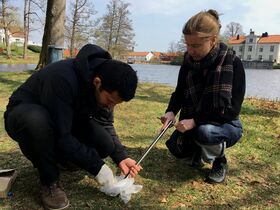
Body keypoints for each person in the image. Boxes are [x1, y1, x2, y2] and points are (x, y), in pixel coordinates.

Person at [4, 44, 142, 210]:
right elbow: (63, 135)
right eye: (110, 101)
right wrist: (96, 166)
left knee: (105, 144)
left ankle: (61, 161)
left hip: (63, 118)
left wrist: (120, 156)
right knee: (36, 120)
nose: (110, 107)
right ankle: (50, 182)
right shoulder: (62, 78)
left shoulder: (107, 78)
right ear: (97, 83)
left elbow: (105, 123)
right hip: (24, 115)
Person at [160, 9, 245, 184]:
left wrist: (195, 121)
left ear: (213, 40)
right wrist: (170, 112)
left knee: (204, 132)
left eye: (196, 45)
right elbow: (179, 92)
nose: (190, 50)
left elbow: (231, 110)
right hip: (196, 120)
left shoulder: (232, 63)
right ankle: (199, 150)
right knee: (176, 148)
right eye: (187, 45)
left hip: (226, 124)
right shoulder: (188, 62)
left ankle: (219, 162)